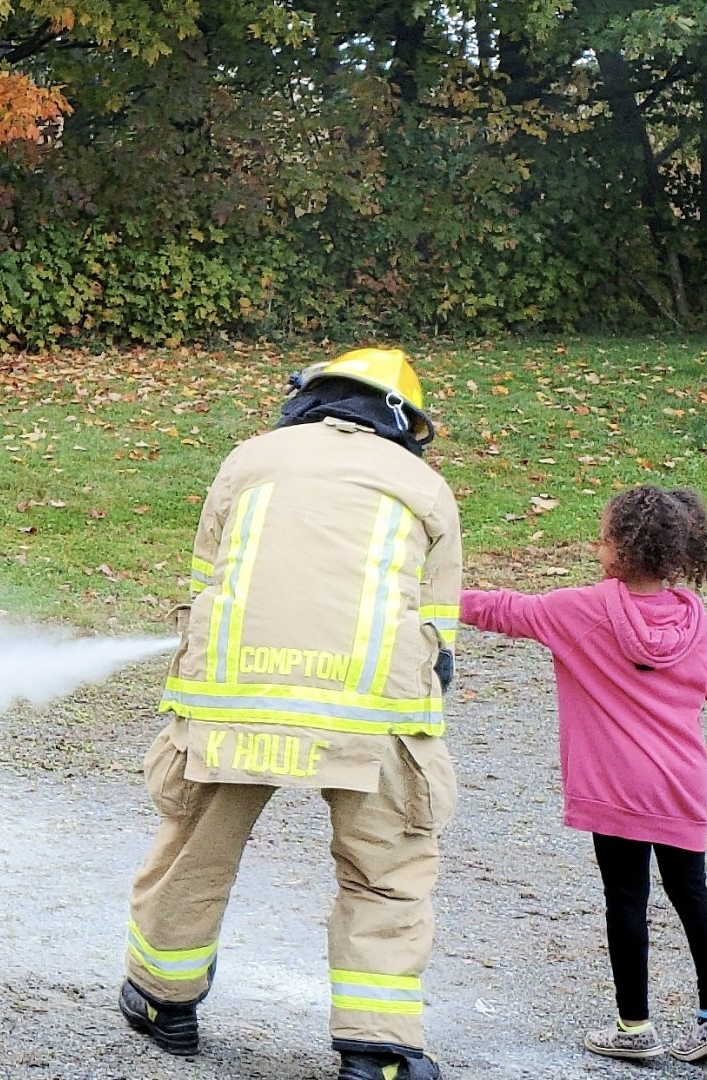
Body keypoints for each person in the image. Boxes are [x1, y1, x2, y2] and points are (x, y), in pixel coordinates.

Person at [119, 348, 462, 1080]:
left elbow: (204, 579)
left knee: (193, 849)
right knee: (388, 870)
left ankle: (160, 999)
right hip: (371, 716)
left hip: (236, 702)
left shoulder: (249, 460)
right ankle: (379, 1052)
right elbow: (439, 626)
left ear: (311, 396)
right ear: (402, 420)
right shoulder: (426, 488)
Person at [459, 485, 707, 1065]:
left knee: (625, 899)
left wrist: (435, 595)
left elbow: (503, 609)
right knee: (691, 892)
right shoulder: (702, 626)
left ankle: (634, 1026)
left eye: (602, 538)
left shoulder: (579, 610)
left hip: (616, 789)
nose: (596, 546)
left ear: (619, 552)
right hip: (681, 784)